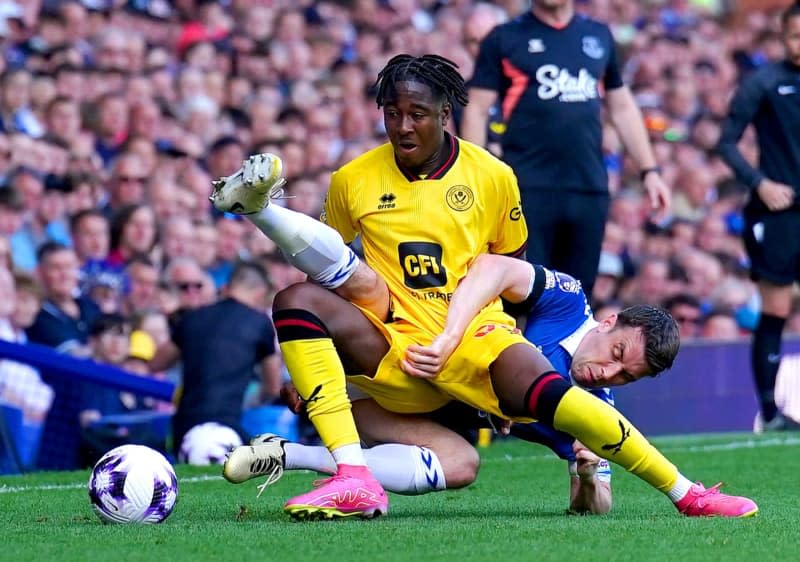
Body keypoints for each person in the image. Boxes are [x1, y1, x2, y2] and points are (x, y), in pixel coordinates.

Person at [211, 54, 757, 521]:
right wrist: (308, 375)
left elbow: (500, 270)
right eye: (392, 113)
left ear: (446, 114)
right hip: (394, 337)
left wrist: (584, 468)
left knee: (500, 434)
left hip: (474, 336)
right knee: (298, 298)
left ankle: (687, 495)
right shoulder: (353, 179)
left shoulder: (492, 176)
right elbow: (326, 273)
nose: (403, 126)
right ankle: (352, 476)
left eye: (417, 115)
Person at [230, 255, 677, 515]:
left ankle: (287, 455)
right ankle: (266, 212)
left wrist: (585, 475)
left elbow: (597, 506)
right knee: (360, 290)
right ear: (610, 321)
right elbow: (495, 269)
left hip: (410, 412)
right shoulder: (564, 301)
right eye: (617, 356)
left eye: (626, 377)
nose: (608, 374)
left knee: (462, 464)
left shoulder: (593, 406)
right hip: (407, 352)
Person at [460, 0, 670, 297]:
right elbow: (477, 110)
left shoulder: (598, 35)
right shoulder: (504, 38)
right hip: (527, 188)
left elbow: (622, 106)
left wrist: (650, 171)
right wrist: (473, 179)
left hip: (588, 187)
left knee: (577, 297)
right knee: (526, 296)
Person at [716, 1, 800, 432]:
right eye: (793, 36)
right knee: (776, 308)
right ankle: (769, 413)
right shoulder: (764, 82)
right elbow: (726, 142)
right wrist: (760, 183)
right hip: (780, 212)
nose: (798, 44)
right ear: (782, 36)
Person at [149, 260, 280, 453]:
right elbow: (273, 387)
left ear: (228, 287)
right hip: (227, 428)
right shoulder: (260, 323)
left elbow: (156, 363)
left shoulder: (192, 317)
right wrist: (253, 400)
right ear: (260, 292)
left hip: (184, 427)